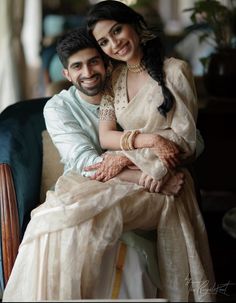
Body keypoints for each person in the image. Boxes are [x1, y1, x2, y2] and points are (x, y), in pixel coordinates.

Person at [2, 26, 189, 302]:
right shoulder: (58, 108)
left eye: (93, 62)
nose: (87, 72)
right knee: (50, 227)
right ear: (66, 74)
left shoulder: (129, 90)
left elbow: (177, 136)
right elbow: (84, 162)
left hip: (144, 192)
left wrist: (155, 172)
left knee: (122, 255)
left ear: (106, 63)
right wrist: (147, 175)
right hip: (87, 187)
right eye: (77, 66)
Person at [86, 1, 215, 302]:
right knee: (79, 213)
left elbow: (184, 141)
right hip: (135, 174)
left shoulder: (175, 71)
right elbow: (106, 137)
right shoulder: (113, 80)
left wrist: (127, 157)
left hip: (168, 179)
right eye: (104, 41)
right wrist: (148, 142)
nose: (114, 44)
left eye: (117, 30)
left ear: (134, 24)